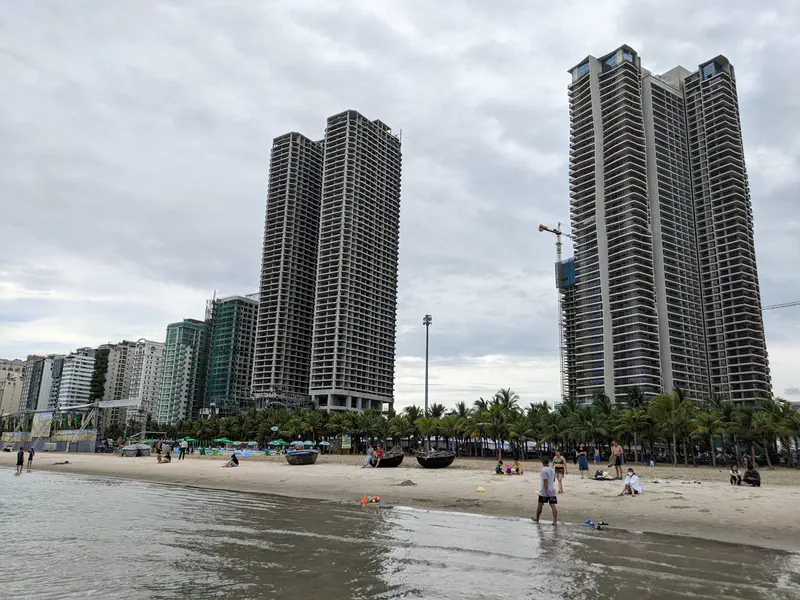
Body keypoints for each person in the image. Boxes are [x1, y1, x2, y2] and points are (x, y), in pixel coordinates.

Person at [533, 457, 558, 525]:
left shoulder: (543, 470)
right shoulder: (552, 469)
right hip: (552, 489)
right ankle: (555, 521)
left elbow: (545, 481)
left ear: (542, 463)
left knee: (540, 504)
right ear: (548, 463)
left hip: (544, 491)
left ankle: (537, 519)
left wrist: (547, 491)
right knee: (553, 505)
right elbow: (553, 480)